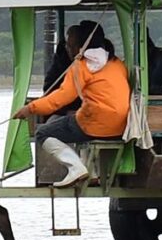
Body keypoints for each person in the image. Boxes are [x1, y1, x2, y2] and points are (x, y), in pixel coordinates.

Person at [13, 26, 131, 188]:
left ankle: (76, 168)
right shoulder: (116, 63)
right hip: (121, 127)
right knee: (74, 119)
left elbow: (61, 98)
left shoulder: (81, 65)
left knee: (43, 132)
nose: (67, 49)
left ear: (80, 47)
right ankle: (91, 170)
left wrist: (30, 108)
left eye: (70, 45)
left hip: (96, 124)